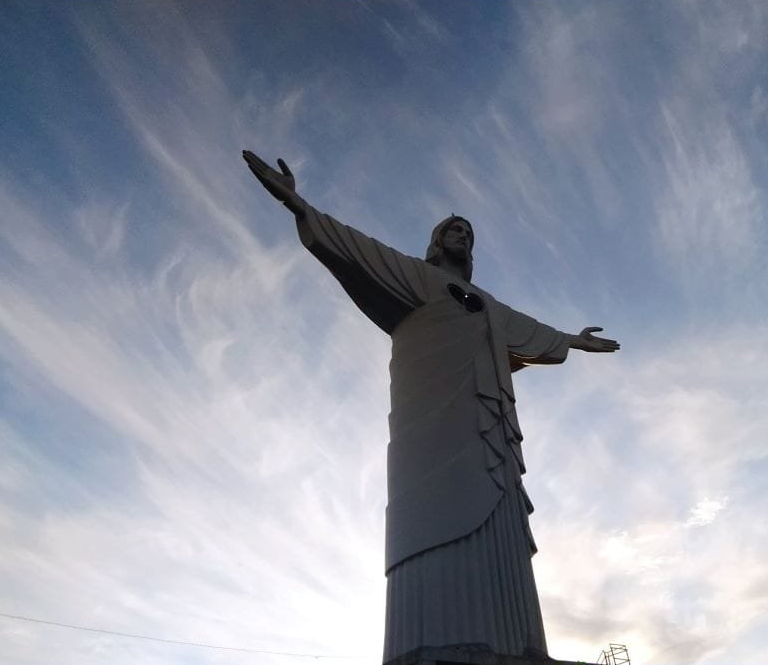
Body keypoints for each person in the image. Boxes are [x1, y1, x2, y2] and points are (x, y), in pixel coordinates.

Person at [243, 151, 619, 662]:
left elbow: (527, 330)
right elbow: (357, 248)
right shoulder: (417, 278)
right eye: (454, 230)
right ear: (438, 239)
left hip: (487, 425)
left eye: (469, 233)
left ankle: (521, 644)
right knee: (435, 512)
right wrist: (296, 202)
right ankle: (440, 639)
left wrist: (572, 342)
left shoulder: (484, 302)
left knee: (499, 506)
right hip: (430, 424)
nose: (462, 236)